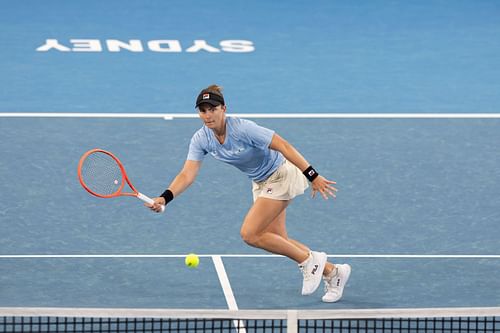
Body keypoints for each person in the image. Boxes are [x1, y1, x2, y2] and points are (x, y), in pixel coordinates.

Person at [147, 84, 351, 302]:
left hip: (281, 175)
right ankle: (333, 272)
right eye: (202, 110)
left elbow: (283, 145)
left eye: (212, 109)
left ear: (223, 108)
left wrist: (313, 175)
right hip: (261, 182)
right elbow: (187, 174)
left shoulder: (243, 129)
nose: (207, 115)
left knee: (250, 234)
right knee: (277, 239)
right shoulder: (201, 139)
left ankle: (310, 261)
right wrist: (165, 197)